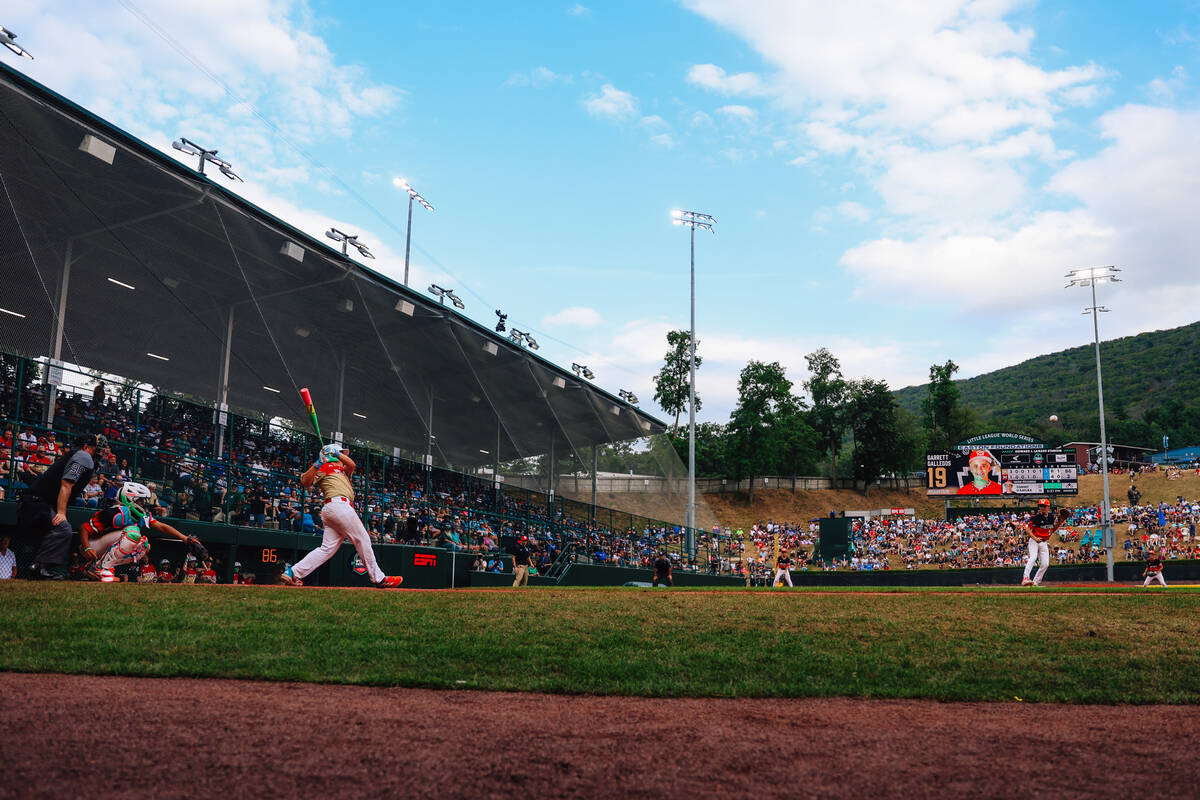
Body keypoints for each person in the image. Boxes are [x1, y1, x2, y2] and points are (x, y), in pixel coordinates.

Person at [281, 444, 402, 588]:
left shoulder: (344, 471)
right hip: (337, 506)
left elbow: (352, 464)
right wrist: (319, 462)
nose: (344, 456)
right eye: (342, 453)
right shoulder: (323, 468)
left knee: (326, 549)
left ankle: (292, 572)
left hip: (336, 510)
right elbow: (304, 481)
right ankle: (379, 579)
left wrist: (335, 454)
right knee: (363, 539)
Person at [79, 482, 209, 582]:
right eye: (140, 500)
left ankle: (98, 567)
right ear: (130, 499)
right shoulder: (114, 512)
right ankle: (100, 568)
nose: (143, 504)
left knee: (144, 545)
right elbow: (84, 528)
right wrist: (87, 548)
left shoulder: (141, 515)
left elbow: (161, 526)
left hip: (104, 548)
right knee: (134, 532)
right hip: (91, 546)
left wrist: (184, 538)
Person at [19, 433, 107, 580]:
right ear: (86, 447)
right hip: (36, 503)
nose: (100, 453)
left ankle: (39, 567)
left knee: (60, 528)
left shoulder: (78, 456)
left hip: (39, 503)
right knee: (63, 527)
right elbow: (67, 483)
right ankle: (42, 569)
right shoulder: (83, 456)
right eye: (95, 449)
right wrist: (61, 512)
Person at [1022, 499, 1068, 587]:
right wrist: (1035, 538)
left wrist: (1059, 522)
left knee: (1045, 564)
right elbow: (1027, 529)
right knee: (1033, 557)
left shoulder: (1051, 517)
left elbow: (1052, 530)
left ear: (1048, 507)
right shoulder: (1036, 517)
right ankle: (1025, 578)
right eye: (1040, 506)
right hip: (1034, 541)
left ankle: (1035, 582)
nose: (1042, 508)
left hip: (1043, 542)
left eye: (1044, 506)